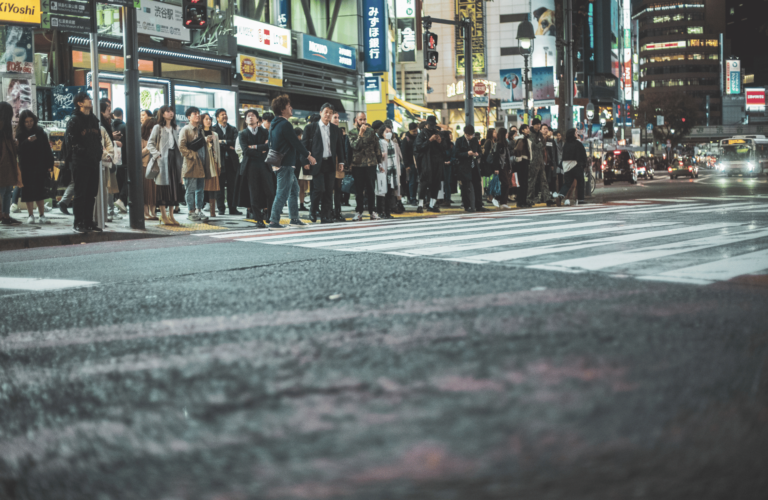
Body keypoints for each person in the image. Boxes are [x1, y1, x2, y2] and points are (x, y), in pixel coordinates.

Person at [267, 94, 315, 230]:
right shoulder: (285, 124)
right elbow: (296, 143)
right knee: (282, 192)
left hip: (279, 162)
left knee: (294, 190)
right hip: (285, 164)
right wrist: (308, 156)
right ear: (282, 109)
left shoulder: (274, 124)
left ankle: (294, 218)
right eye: (289, 106)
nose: (291, 108)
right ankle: (273, 221)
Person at [63, 93, 103, 232]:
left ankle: (88, 221)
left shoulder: (94, 119)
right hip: (80, 161)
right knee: (80, 193)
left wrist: (98, 153)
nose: (90, 101)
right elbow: (71, 142)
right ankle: (78, 222)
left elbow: (98, 139)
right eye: (87, 99)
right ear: (80, 103)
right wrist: (83, 152)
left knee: (91, 193)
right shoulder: (74, 120)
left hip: (93, 161)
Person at [302, 103, 346, 224]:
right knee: (319, 189)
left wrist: (341, 161)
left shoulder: (335, 129)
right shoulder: (311, 128)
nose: (328, 114)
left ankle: (326, 216)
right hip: (317, 163)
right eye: (326, 112)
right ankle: (313, 211)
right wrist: (305, 161)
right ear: (321, 112)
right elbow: (304, 146)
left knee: (328, 191)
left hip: (330, 163)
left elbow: (339, 147)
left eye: (330, 113)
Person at [16, 110, 54, 224]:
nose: (29, 123)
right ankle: (30, 214)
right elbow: (18, 150)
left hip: (39, 165)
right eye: (26, 121)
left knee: (39, 190)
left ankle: (42, 215)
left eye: (31, 121)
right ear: (23, 122)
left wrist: (49, 164)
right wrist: (27, 142)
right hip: (26, 166)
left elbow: (46, 148)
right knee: (27, 191)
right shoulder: (20, 133)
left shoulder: (40, 131)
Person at [147, 105, 182, 226]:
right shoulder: (158, 127)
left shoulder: (175, 128)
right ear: (162, 114)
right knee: (163, 188)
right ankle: (163, 214)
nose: (170, 113)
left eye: (172, 111)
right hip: (163, 161)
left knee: (174, 188)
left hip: (174, 161)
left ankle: (171, 215)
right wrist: (157, 154)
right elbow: (150, 143)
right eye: (167, 111)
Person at [237, 109, 272, 228]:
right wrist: (260, 151)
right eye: (248, 116)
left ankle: (269, 214)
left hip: (265, 164)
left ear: (258, 119)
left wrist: (255, 147)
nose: (250, 117)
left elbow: (268, 146)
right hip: (250, 166)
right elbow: (246, 151)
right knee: (254, 192)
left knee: (270, 191)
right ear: (245, 120)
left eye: (253, 115)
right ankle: (258, 219)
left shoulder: (265, 132)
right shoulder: (242, 133)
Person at [179, 106, 210, 222]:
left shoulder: (200, 130)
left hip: (201, 164)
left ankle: (199, 210)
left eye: (198, 113)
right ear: (188, 117)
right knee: (190, 189)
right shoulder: (185, 129)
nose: (197, 115)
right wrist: (192, 156)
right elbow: (181, 147)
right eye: (194, 113)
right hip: (191, 164)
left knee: (200, 189)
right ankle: (191, 211)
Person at [348, 112, 380, 221]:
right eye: (361, 119)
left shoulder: (371, 132)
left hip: (371, 164)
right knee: (359, 190)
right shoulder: (352, 133)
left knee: (371, 189)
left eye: (364, 119)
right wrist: (360, 134)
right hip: (358, 165)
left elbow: (377, 147)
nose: (363, 122)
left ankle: (372, 211)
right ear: (356, 120)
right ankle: (359, 212)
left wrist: (379, 162)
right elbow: (355, 146)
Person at [212, 108, 241, 215]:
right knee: (219, 186)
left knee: (232, 186)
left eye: (225, 114)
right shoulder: (213, 129)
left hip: (232, 162)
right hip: (220, 162)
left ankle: (233, 208)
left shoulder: (233, 129)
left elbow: (235, 142)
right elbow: (215, 144)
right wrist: (228, 146)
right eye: (222, 115)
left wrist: (222, 142)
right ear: (217, 118)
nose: (225, 116)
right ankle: (221, 208)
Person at [414, 115, 444, 213]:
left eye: (433, 125)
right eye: (430, 125)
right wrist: (429, 140)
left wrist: (440, 142)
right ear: (426, 124)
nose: (432, 127)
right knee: (424, 183)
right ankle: (420, 205)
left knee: (436, 183)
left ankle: (432, 204)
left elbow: (444, 148)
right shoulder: (422, 134)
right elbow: (418, 148)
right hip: (426, 162)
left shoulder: (437, 133)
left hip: (437, 162)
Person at [99, 100, 122, 222]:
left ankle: (109, 210)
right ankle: (108, 211)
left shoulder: (106, 123)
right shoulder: (100, 124)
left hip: (108, 158)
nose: (110, 112)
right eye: (108, 109)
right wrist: (114, 142)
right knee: (108, 186)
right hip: (105, 160)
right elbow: (103, 143)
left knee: (110, 186)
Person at [0, 102, 21, 226]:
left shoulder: (5, 126)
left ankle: (5, 215)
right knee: (5, 191)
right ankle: (5, 215)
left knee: (6, 190)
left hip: (6, 163)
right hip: (5, 163)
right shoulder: (3, 125)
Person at [555, 128, 588, 206]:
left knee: (567, 183)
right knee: (580, 182)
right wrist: (584, 164)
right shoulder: (578, 144)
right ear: (573, 134)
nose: (577, 134)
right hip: (576, 165)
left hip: (566, 166)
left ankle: (561, 196)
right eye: (575, 133)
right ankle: (581, 199)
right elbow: (583, 155)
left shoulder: (566, 144)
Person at [375, 123, 401, 219]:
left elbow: (396, 159)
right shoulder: (379, 143)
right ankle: (380, 211)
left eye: (390, 131)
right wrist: (380, 157)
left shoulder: (393, 144)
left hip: (392, 171)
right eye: (386, 131)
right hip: (382, 169)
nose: (389, 133)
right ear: (382, 133)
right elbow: (376, 156)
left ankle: (387, 211)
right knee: (381, 192)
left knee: (390, 191)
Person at [527, 118, 554, 207]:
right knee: (532, 181)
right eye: (537, 124)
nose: (538, 126)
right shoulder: (530, 135)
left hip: (540, 161)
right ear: (533, 125)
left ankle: (547, 198)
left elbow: (542, 145)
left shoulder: (539, 135)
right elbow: (534, 145)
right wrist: (539, 144)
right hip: (532, 161)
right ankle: (529, 199)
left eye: (539, 124)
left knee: (544, 180)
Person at [454, 124, 481, 212]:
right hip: (464, 167)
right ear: (465, 133)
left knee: (477, 186)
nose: (471, 137)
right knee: (465, 188)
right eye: (469, 135)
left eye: (472, 135)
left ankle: (479, 205)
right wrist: (466, 154)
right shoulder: (459, 141)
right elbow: (456, 154)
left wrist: (477, 155)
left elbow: (480, 152)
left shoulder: (474, 141)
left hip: (474, 166)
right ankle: (467, 206)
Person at [201, 113, 221, 219]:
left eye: (210, 119)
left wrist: (219, 164)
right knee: (200, 186)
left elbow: (217, 151)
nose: (208, 121)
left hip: (213, 163)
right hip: (202, 162)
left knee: (213, 187)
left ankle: (213, 211)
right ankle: (198, 209)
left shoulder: (215, 134)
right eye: (206, 119)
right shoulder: (199, 133)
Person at [111, 107, 128, 213]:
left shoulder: (110, 127)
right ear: (122, 115)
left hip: (114, 158)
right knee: (127, 180)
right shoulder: (125, 126)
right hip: (125, 158)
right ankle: (121, 200)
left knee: (119, 180)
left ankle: (121, 203)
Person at [140, 117, 158, 220]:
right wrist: (148, 148)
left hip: (156, 167)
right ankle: (145, 212)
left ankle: (153, 212)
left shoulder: (157, 138)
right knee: (146, 190)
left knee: (154, 191)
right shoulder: (142, 139)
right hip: (145, 167)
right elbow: (138, 153)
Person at [331, 111, 347, 222]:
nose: (337, 119)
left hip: (337, 163)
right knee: (328, 189)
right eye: (335, 117)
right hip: (328, 162)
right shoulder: (325, 129)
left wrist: (342, 162)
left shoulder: (339, 131)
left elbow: (342, 148)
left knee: (338, 188)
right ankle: (328, 211)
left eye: (338, 117)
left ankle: (337, 211)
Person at [513, 124, 532, 208]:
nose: (528, 130)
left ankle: (522, 201)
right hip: (523, 161)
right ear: (523, 130)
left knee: (523, 182)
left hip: (523, 161)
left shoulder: (524, 138)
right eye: (526, 128)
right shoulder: (522, 139)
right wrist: (519, 158)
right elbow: (517, 149)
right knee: (523, 182)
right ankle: (521, 201)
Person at [492, 127, 511, 209]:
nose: (507, 134)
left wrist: (509, 167)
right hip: (501, 167)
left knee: (505, 184)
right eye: (506, 133)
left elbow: (507, 157)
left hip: (505, 166)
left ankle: (502, 201)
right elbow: (496, 157)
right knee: (506, 183)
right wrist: (496, 168)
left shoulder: (505, 143)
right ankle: (500, 200)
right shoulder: (498, 144)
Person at [400, 122, 418, 205]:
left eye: (416, 131)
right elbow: (404, 153)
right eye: (414, 131)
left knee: (415, 182)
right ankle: (412, 198)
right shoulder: (406, 139)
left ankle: (413, 197)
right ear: (410, 130)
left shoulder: (417, 137)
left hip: (417, 163)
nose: (415, 132)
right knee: (412, 181)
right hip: (410, 164)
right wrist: (406, 165)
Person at [440, 130, 455, 207]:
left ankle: (444, 199)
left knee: (444, 183)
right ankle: (447, 199)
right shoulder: (451, 145)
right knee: (446, 183)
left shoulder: (441, 144)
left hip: (443, 165)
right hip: (448, 165)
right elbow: (453, 155)